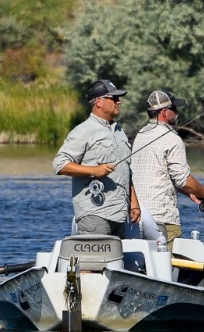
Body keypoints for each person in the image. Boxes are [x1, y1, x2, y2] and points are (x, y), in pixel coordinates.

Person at [130, 88, 204, 249]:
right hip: (163, 221)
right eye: (174, 109)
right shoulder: (172, 139)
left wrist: (190, 193)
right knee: (169, 267)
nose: (177, 112)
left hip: (136, 217)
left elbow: (160, 175)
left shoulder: (141, 135)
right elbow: (183, 179)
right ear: (165, 112)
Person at [53, 79, 140, 236]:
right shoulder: (83, 131)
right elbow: (60, 164)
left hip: (120, 214)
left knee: (116, 261)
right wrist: (94, 170)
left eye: (118, 98)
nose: (118, 102)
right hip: (95, 215)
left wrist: (134, 203)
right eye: (113, 98)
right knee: (96, 261)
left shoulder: (119, 131)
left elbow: (127, 172)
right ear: (98, 102)